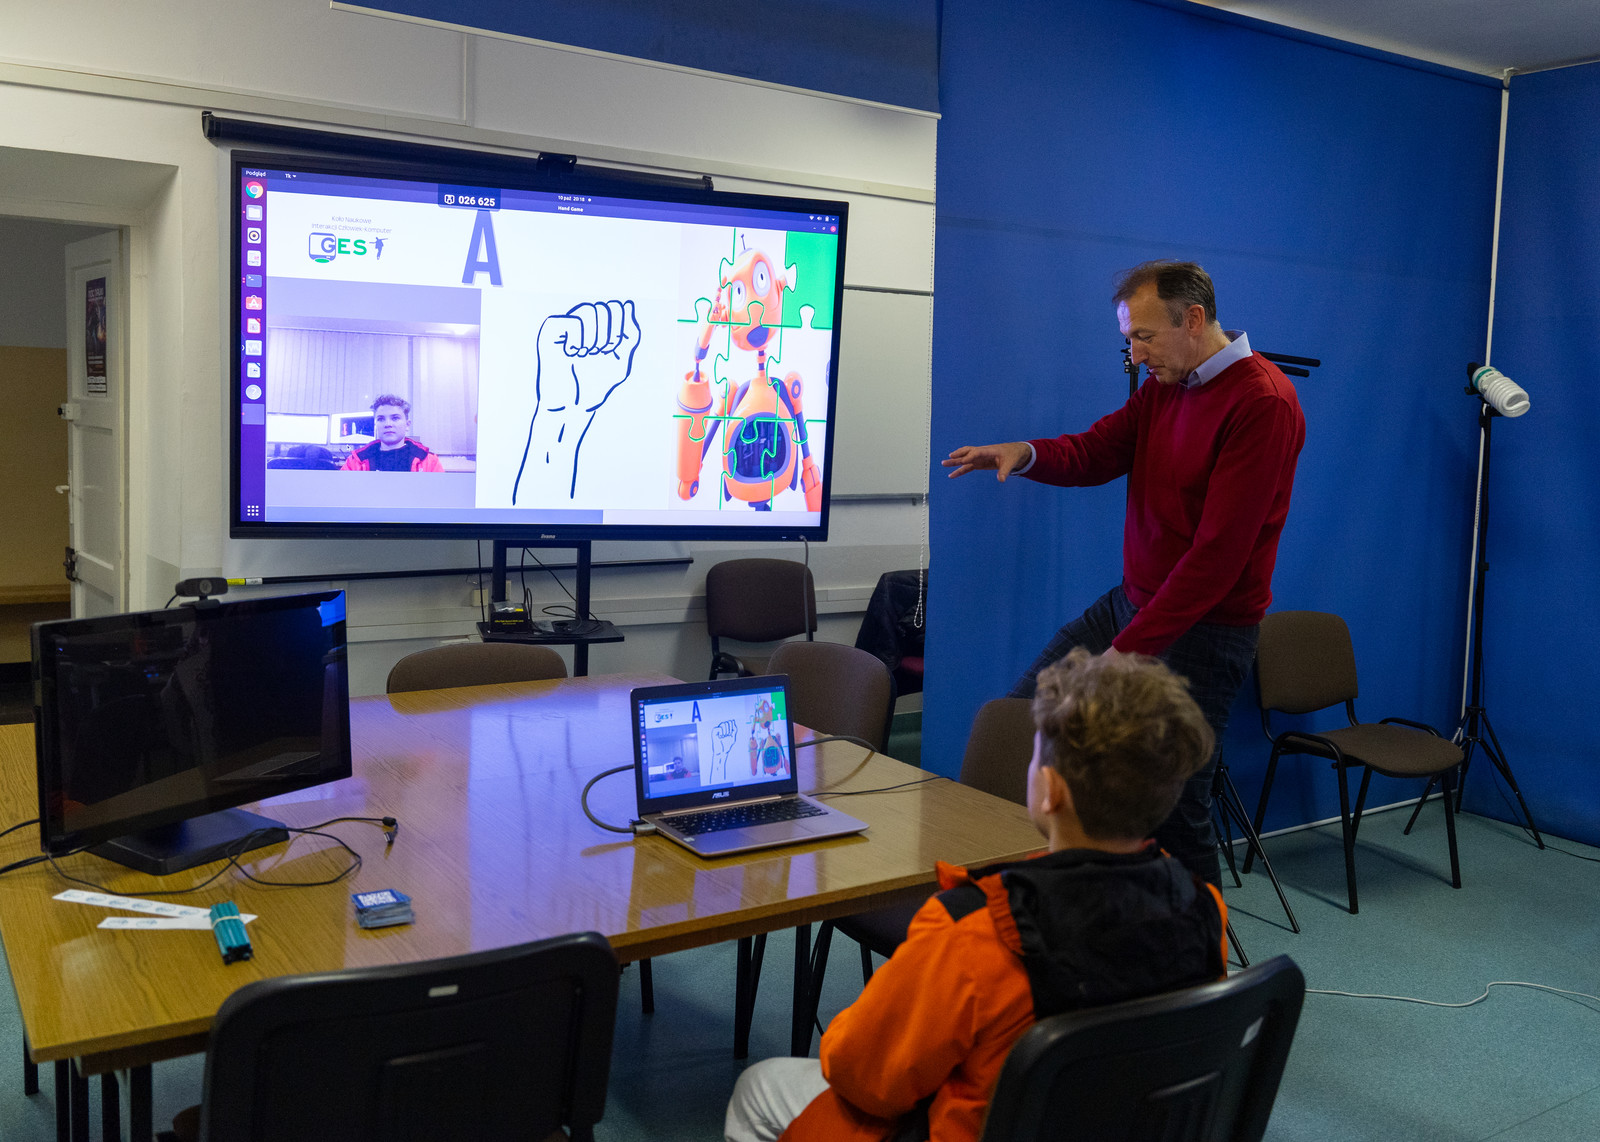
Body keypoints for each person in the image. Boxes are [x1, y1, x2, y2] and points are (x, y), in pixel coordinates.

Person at [724, 649, 1227, 1142]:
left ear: (1049, 791)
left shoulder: (977, 932)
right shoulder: (1203, 907)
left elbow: (866, 1079)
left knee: (758, 1087)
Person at [943, 260, 1305, 886]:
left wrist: (1126, 651)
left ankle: (1200, 940)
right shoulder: (1168, 384)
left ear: (1193, 320)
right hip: (1132, 606)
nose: (1135, 354)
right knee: (1020, 724)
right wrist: (1024, 454)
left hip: (1205, 633)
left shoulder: (1263, 403)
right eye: (1129, 339)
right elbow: (1098, 450)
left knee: (1176, 809)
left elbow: (1216, 562)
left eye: (1144, 336)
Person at [340, 394, 445, 471]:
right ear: (375, 425)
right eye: (381, 419)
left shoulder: (429, 461)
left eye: (395, 418)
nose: (388, 424)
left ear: (407, 425)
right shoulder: (355, 462)